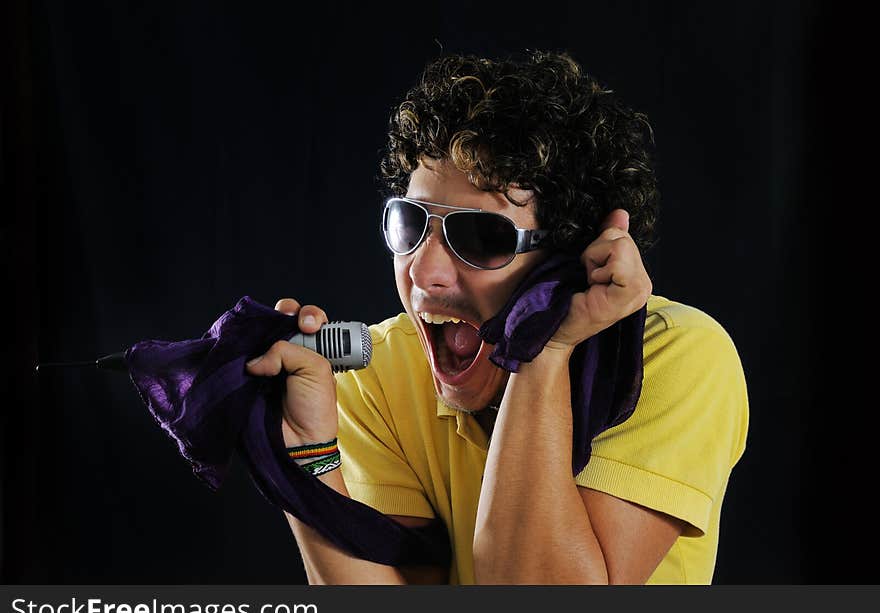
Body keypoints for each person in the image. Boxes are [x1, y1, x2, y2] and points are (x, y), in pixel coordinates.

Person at [245, 51, 749, 584]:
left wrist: (544, 351)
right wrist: (305, 457)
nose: (424, 271)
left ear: (569, 258)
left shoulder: (679, 356)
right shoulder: (380, 376)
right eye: (409, 223)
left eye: (481, 236)